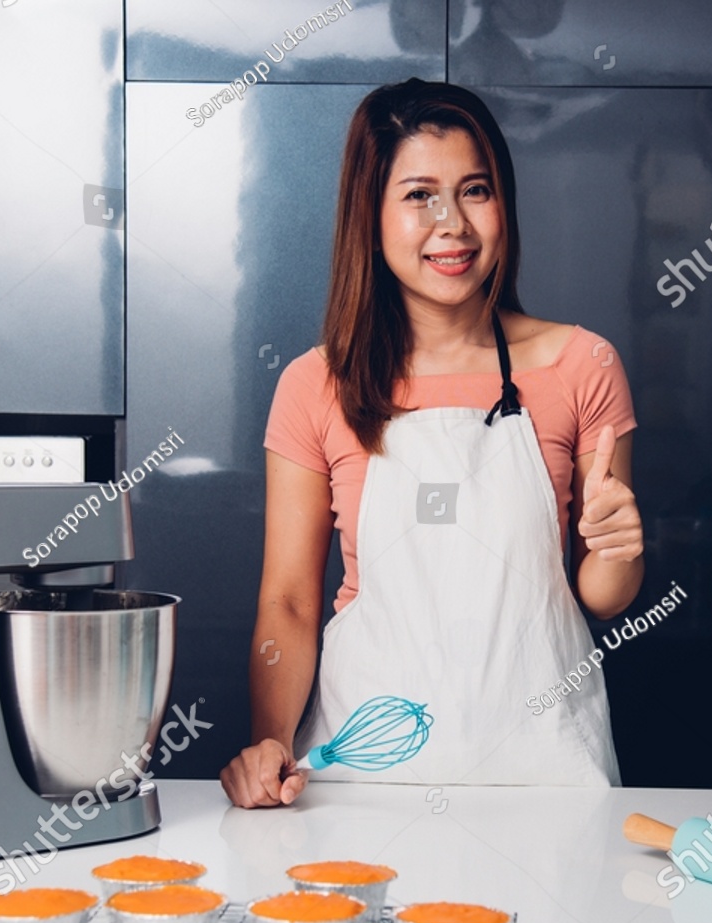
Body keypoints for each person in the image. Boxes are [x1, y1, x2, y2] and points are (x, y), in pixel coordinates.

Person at [219, 79, 643, 808]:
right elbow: (289, 600)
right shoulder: (315, 384)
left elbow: (603, 597)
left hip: (547, 781)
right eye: (419, 195)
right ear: (371, 215)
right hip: (362, 783)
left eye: (474, 190)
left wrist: (617, 547)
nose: (453, 224)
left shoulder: (582, 365)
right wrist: (271, 742)